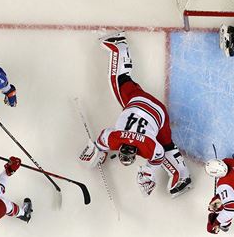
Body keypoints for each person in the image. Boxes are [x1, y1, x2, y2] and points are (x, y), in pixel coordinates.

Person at [79, 31, 192, 198]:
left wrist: (148, 172)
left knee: (167, 145)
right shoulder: (115, 139)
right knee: (120, 81)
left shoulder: (143, 146)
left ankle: (182, 176)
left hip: (157, 113)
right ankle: (119, 47)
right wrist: (98, 151)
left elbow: (159, 154)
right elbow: (103, 138)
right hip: (138, 101)